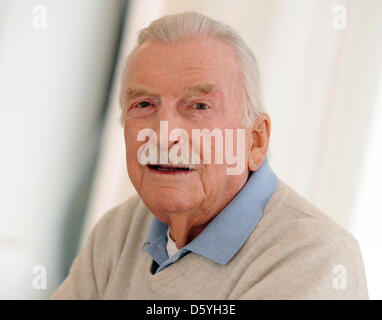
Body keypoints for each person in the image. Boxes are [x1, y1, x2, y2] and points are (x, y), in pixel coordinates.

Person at [51, 12, 368, 299]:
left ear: (255, 142)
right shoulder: (118, 230)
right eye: (144, 105)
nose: (164, 134)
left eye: (199, 107)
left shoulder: (315, 256)